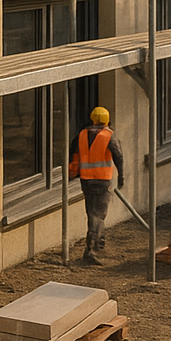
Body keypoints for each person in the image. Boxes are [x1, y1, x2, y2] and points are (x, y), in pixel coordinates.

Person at [68, 106, 124, 264]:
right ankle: (91, 249)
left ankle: (99, 243)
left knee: (92, 212)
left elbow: (75, 156)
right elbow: (118, 157)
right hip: (102, 181)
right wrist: (122, 176)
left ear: (92, 119)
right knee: (98, 215)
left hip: (86, 180)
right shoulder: (108, 136)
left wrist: (72, 173)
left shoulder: (82, 135)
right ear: (107, 120)